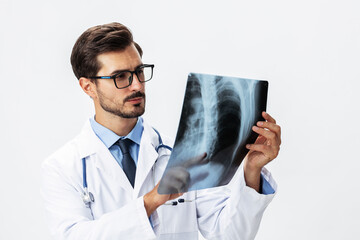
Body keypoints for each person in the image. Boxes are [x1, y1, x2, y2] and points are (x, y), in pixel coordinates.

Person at [41, 22, 281, 240]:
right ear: (88, 86)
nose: (136, 85)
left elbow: (230, 234)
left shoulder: (180, 155)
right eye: (120, 77)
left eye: (139, 71)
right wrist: (151, 201)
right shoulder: (63, 167)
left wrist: (251, 170)